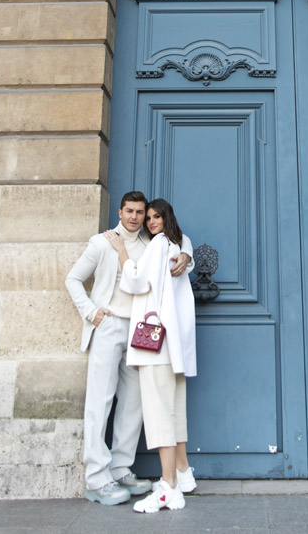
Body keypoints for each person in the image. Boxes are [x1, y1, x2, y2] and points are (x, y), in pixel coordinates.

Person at [65, 191, 193, 505]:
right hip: (109, 324)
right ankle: (97, 478)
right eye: (131, 212)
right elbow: (73, 279)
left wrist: (187, 254)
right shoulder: (102, 242)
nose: (137, 217)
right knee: (101, 400)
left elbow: (178, 239)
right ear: (120, 212)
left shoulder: (152, 242)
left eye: (142, 212)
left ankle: (121, 469)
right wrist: (91, 312)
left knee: (135, 402)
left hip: (141, 332)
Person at [105, 198, 197, 513]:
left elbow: (134, 279)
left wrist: (121, 252)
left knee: (159, 416)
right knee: (175, 409)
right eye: (150, 218)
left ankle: (168, 487)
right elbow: (183, 246)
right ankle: (183, 474)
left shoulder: (159, 244)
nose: (151, 222)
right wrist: (187, 251)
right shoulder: (176, 243)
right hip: (175, 346)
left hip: (155, 346)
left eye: (156, 217)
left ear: (165, 217)